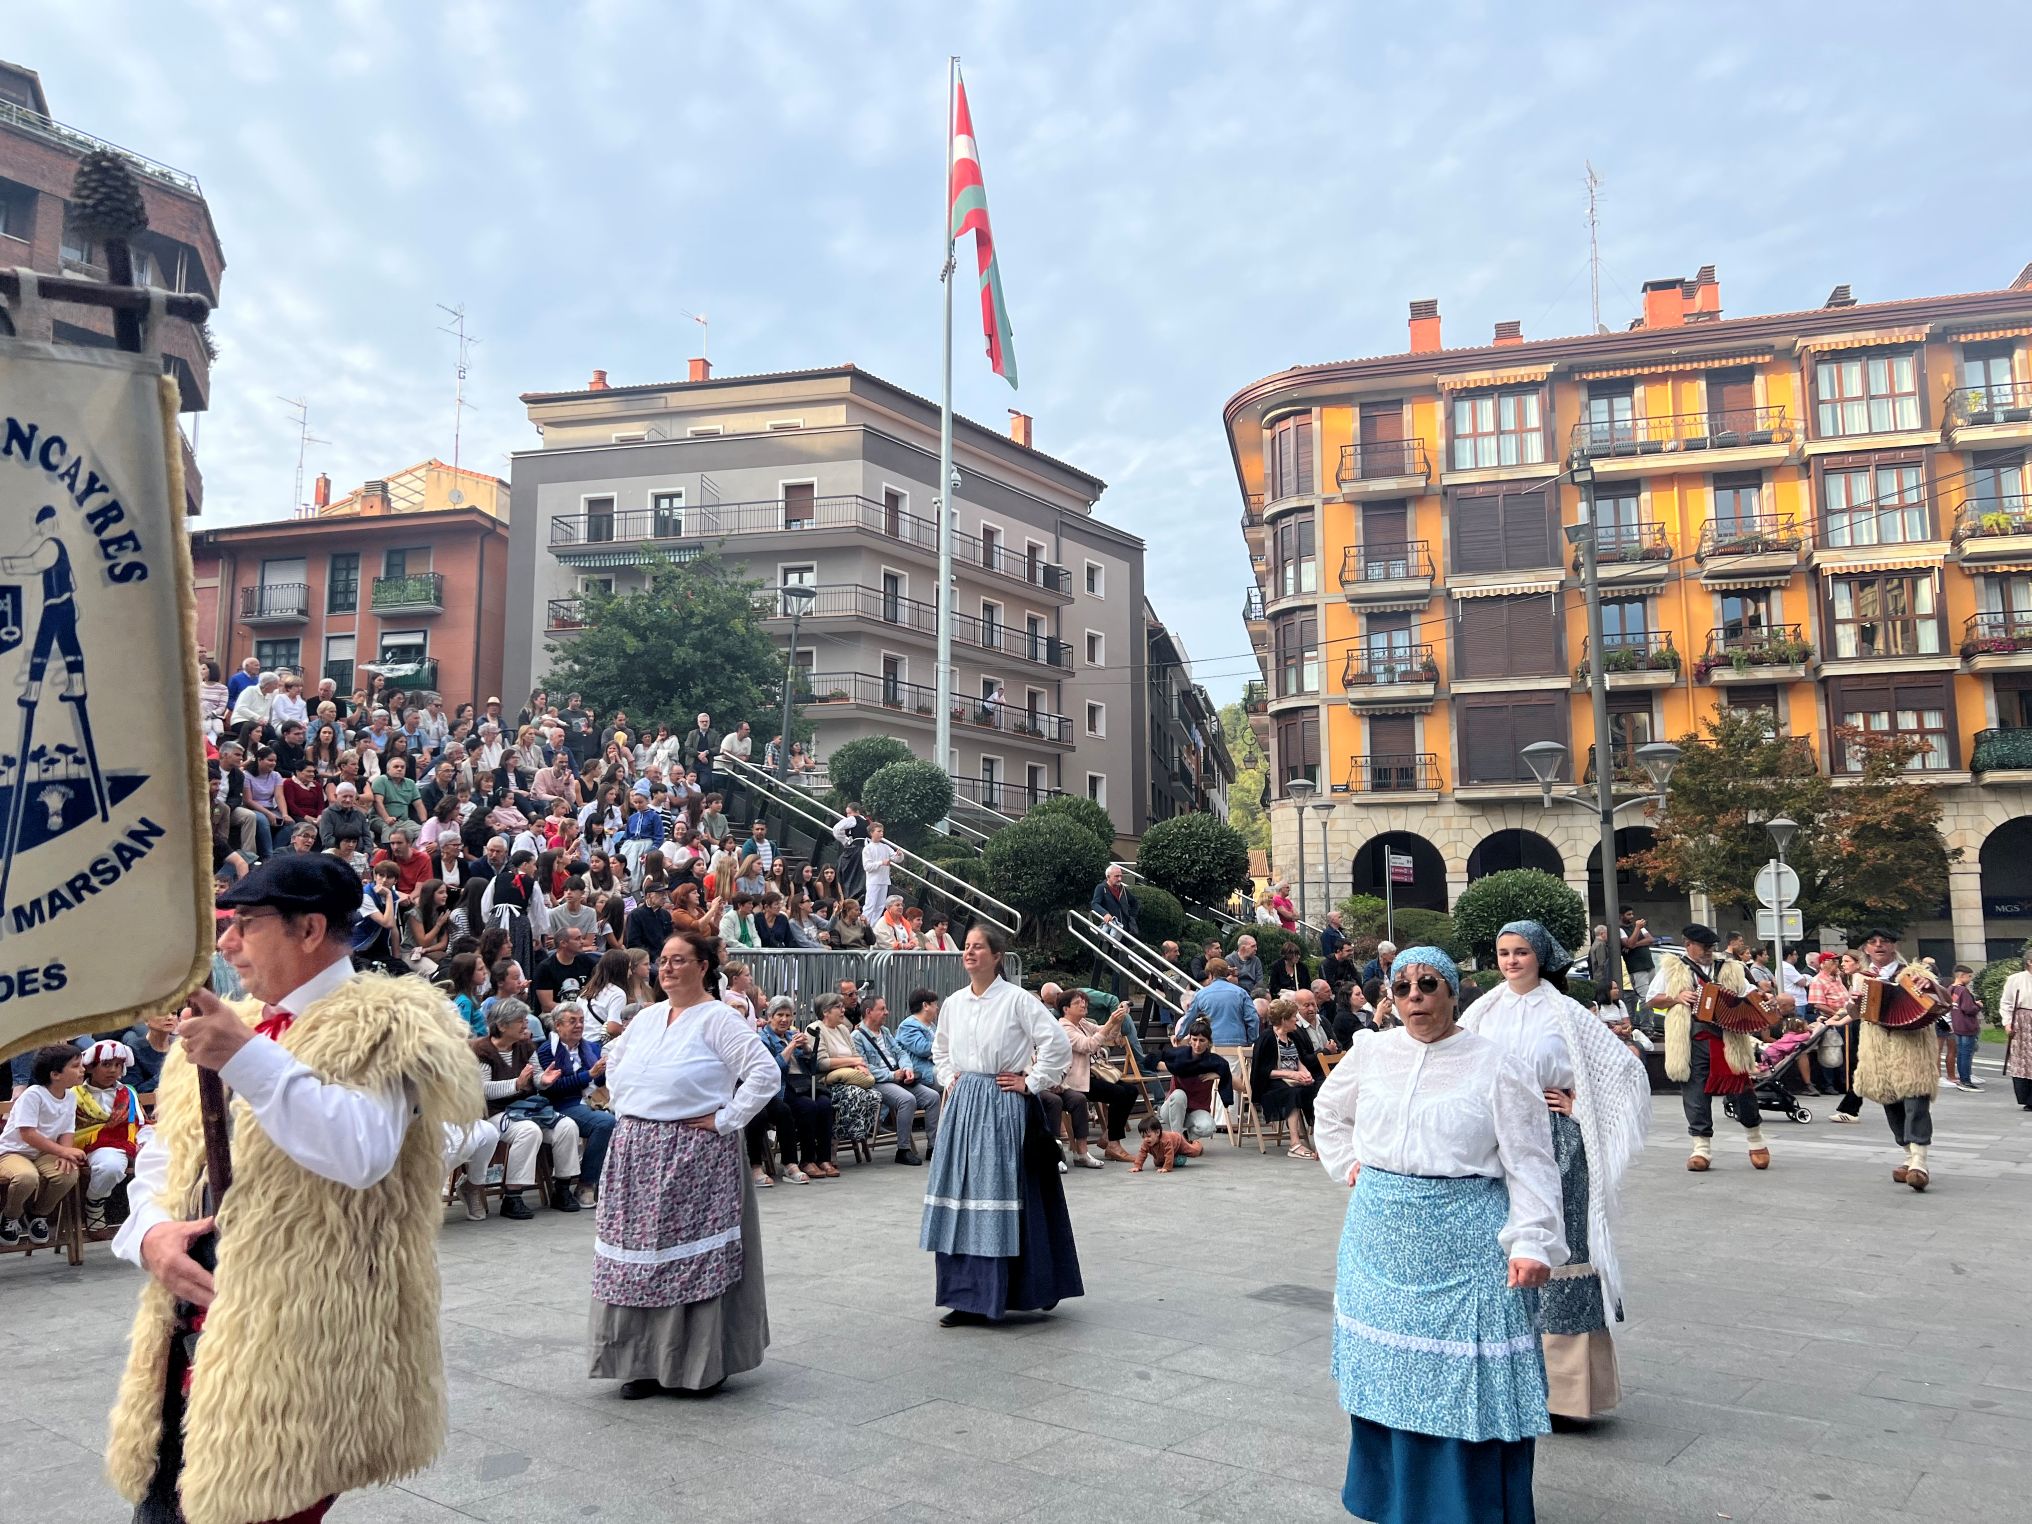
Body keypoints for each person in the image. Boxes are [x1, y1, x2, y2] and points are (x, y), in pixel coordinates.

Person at [106, 855, 481, 1524]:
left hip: (301, 1346)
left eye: (245, 924)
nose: (226, 945)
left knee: (261, 1501)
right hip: (186, 1329)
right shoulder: (226, 1022)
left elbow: (360, 1151)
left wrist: (246, 1057)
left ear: (309, 930)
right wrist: (150, 1238)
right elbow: (163, 1161)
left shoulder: (389, 1022)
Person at [1313, 946, 1565, 1524]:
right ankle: (1392, 1501)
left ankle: (1465, 1508)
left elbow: (1530, 1159)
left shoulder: (1495, 1063)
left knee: (1467, 1373)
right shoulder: (1372, 1052)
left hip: (1467, 1238)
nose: (1415, 998)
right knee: (1385, 1370)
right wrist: (1349, 1163)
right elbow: (1330, 1111)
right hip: (1379, 1235)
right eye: (1401, 989)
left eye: (1428, 984)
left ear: (1453, 991)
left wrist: (1531, 1239)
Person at [1465, 921, 1650, 1422]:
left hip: (1555, 1140)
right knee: (1500, 1246)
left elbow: (1625, 1069)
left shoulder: (1565, 1012)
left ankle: (1566, 1395)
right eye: (1503, 952)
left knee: (1562, 1244)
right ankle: (1504, 1375)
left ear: (1540, 956)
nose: (1510, 961)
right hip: (1498, 1141)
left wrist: (1579, 1105)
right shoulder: (1482, 1009)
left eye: (1521, 952)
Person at [591, 929, 779, 1398]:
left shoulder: (718, 1019)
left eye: (679, 960)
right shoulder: (650, 1017)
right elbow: (613, 1060)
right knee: (634, 1257)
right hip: (636, 1151)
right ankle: (638, 1362)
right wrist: (627, 1107)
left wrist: (726, 1119)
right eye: (663, 959)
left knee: (689, 1256)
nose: (667, 968)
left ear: (703, 967)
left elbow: (765, 1073)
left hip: (694, 1154)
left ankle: (696, 1364)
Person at [922, 924, 1085, 1327]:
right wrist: (949, 1077)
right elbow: (940, 1048)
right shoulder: (956, 1003)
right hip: (964, 1103)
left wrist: (1030, 1081)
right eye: (966, 947)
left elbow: (1057, 1044)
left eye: (978, 947)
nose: (969, 953)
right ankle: (965, 1296)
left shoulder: (1016, 1001)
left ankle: (1010, 1289)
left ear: (997, 956)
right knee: (961, 1196)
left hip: (1001, 1103)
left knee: (999, 1193)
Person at [1648, 923, 1771, 1172]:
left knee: (1742, 1089)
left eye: (1711, 947)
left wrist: (1762, 997)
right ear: (1688, 945)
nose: (1708, 951)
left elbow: (1749, 992)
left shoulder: (1731, 968)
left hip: (1728, 1037)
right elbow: (1651, 1000)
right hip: (1692, 1038)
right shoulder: (1673, 969)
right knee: (1694, 1093)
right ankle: (1701, 1148)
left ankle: (1756, 1140)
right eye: (1704, 947)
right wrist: (1677, 998)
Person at [1848, 929, 1943, 1191]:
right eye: (1873, 942)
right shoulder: (1861, 978)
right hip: (1878, 1047)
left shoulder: (1913, 973)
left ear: (1894, 946)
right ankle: (1908, 1156)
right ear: (1866, 949)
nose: (1879, 946)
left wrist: (1930, 987)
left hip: (1911, 1046)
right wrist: (1853, 1003)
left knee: (1916, 1100)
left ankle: (1919, 1163)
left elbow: (1939, 998)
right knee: (1889, 1100)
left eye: (1884, 942)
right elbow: (1856, 1014)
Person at [0, 1043, 86, 1248]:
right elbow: (27, 1134)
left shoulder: (70, 1097)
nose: (82, 1070)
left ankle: (38, 1214)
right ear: (55, 1074)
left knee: (68, 1174)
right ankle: (10, 1216)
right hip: (13, 1152)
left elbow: (67, 1131)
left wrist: (66, 1155)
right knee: (26, 1178)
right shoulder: (33, 1095)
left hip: (44, 1153)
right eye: (75, 1066)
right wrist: (63, 1150)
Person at [534, 1004, 615, 1209]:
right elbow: (553, 1088)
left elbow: (600, 1081)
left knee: (630, 1117)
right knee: (605, 1123)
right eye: (573, 1021)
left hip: (594, 1100)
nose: (579, 1025)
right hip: (562, 1104)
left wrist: (607, 1069)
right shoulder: (547, 1051)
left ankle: (617, 1184)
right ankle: (586, 1184)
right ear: (558, 1026)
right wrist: (589, 1075)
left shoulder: (590, 1047)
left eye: (581, 1020)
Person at [70, 1039, 146, 1240]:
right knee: (111, 1166)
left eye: (118, 1065)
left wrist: (145, 1143)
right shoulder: (74, 1094)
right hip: (92, 1146)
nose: (113, 1070)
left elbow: (140, 1122)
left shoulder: (128, 1091)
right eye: (106, 1064)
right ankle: (94, 1204)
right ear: (91, 1067)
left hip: (128, 1142)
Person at [755, 997, 836, 1181]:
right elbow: (772, 1069)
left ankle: (823, 1158)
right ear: (769, 1017)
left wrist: (807, 1048)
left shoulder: (793, 1035)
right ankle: (806, 1160)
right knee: (807, 1106)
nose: (784, 1019)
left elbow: (813, 1067)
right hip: (783, 1085)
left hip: (804, 1082)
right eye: (779, 1015)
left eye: (788, 1015)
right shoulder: (763, 1039)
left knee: (824, 1104)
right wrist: (791, 1047)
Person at [854, 996, 941, 1165]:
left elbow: (900, 1053)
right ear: (868, 1012)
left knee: (932, 1097)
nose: (887, 1012)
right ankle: (903, 1150)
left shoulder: (885, 1032)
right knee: (907, 1100)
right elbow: (863, 1067)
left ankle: (933, 1147)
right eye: (882, 1009)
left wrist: (907, 1068)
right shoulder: (857, 1037)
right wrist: (892, 1075)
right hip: (879, 1082)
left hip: (899, 1077)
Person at [1251, 999, 1324, 1159]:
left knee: (1318, 1091)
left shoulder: (1293, 1036)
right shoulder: (1267, 1038)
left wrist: (1305, 1074)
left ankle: (1321, 1142)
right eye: (1293, 1017)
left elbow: (1299, 1060)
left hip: (1293, 1081)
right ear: (1284, 1019)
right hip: (1271, 1085)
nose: (1296, 1020)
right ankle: (1294, 1143)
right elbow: (1263, 1071)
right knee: (1293, 1093)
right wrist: (1291, 1074)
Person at [1178, 959, 1259, 1047]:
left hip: (1212, 1042)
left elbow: (1189, 1018)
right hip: (1237, 1041)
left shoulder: (1200, 995)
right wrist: (1252, 1041)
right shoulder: (1241, 993)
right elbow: (1253, 1019)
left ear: (1210, 975)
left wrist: (1179, 1036)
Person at [2001, 946, 2032, 1110]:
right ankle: (2027, 1099)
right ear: (2029, 963)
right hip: (2022, 1021)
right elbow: (2006, 1003)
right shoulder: (2015, 979)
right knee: (2023, 1060)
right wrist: (2007, 1023)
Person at [1947, 964, 1983, 1092]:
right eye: (1969, 976)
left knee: (1961, 1053)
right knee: (1966, 1054)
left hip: (1957, 1025)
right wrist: (1978, 1005)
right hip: (1967, 1026)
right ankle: (1966, 1080)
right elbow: (1968, 1009)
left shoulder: (1951, 989)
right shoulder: (1963, 991)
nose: (1970, 979)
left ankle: (1962, 1078)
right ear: (1961, 976)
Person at [1130, 1113, 1203, 1173]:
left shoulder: (1166, 1140)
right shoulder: (1146, 1142)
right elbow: (1141, 1153)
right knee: (1157, 1163)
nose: (1146, 1139)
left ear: (1157, 1132)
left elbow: (1169, 1153)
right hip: (1162, 1151)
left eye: (1148, 1136)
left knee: (1194, 1152)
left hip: (1178, 1141)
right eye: (1143, 1137)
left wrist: (1166, 1167)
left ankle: (1196, 1143)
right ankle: (1173, 1157)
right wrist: (1137, 1166)